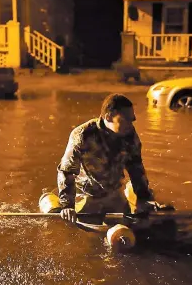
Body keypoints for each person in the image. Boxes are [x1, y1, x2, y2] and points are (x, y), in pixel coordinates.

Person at [57, 94, 155, 223]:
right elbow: (67, 171)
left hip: (114, 193)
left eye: (132, 119)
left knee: (136, 225)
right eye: (126, 119)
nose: (132, 122)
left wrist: (143, 198)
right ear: (108, 117)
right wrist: (67, 206)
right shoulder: (82, 135)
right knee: (85, 234)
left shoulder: (129, 134)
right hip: (88, 196)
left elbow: (136, 168)